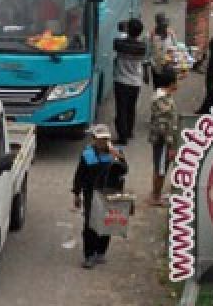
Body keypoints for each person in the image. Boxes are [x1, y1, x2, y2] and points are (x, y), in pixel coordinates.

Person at [71, 125, 127, 269]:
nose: (103, 142)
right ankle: (89, 255)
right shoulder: (88, 155)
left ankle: (101, 251)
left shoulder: (116, 153)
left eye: (106, 139)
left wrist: (118, 158)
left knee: (107, 223)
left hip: (110, 193)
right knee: (90, 224)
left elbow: (124, 170)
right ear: (94, 139)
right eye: (100, 139)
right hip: (91, 193)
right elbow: (80, 175)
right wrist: (76, 193)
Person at [112, 19, 147, 148]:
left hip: (121, 81)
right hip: (135, 82)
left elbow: (117, 41)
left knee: (121, 109)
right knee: (131, 107)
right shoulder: (142, 47)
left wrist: (123, 31)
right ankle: (129, 131)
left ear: (128, 30)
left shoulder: (120, 44)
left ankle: (122, 137)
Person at [147, 68, 179, 207]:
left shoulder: (162, 96)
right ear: (171, 83)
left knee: (159, 167)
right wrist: (171, 145)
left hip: (160, 139)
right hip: (163, 140)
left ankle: (156, 193)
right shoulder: (163, 100)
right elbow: (164, 126)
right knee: (160, 169)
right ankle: (156, 196)